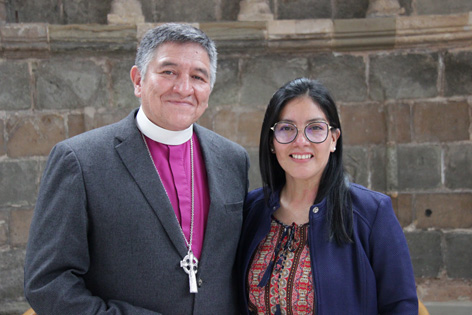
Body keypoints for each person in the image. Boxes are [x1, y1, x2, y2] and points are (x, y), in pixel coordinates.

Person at [24, 23, 249, 314]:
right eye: (168, 72)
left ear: (209, 88)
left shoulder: (233, 159)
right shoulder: (80, 160)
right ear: (138, 80)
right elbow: (47, 282)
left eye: (198, 76)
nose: (183, 88)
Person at [237, 78, 418, 314]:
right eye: (286, 128)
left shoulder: (371, 213)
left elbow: (400, 305)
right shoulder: (252, 210)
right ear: (272, 142)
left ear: (333, 139)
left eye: (315, 128)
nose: (300, 141)